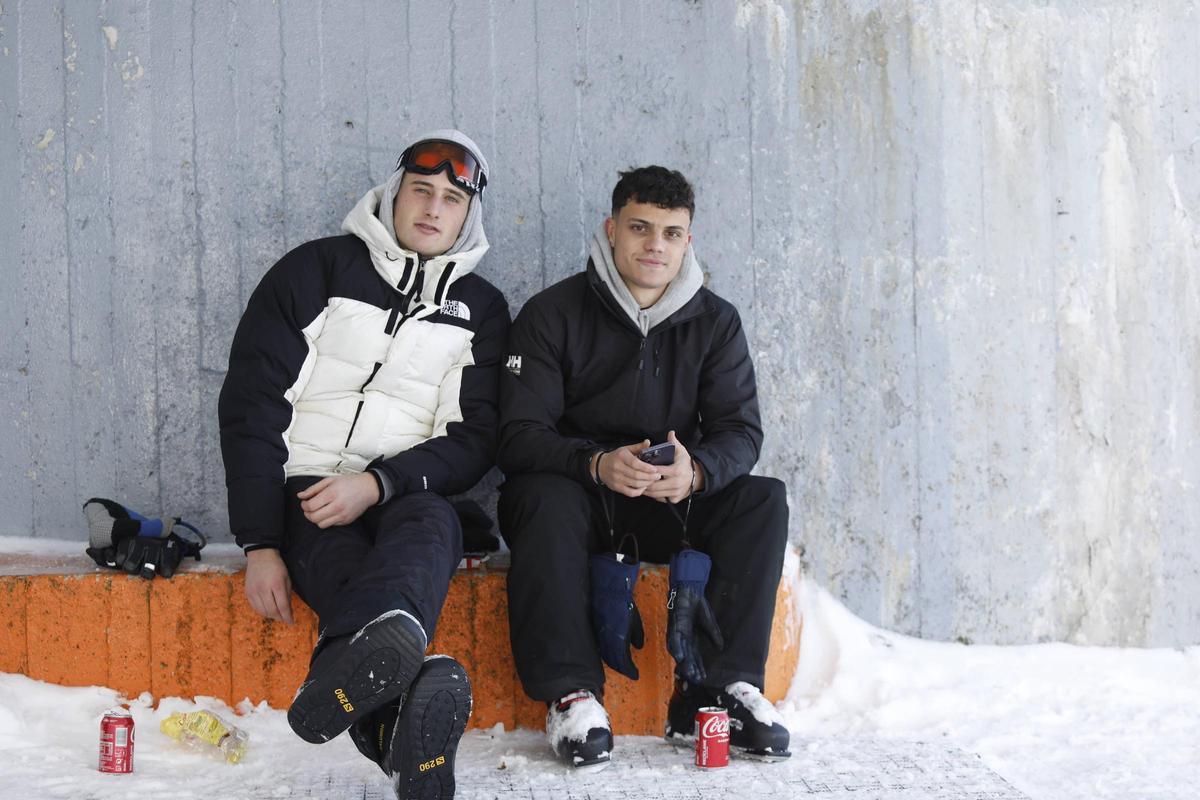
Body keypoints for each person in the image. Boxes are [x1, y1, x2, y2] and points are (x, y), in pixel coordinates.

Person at [219, 130, 509, 799]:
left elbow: (473, 438)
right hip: (306, 492)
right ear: (394, 192)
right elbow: (253, 405)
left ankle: (342, 672)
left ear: (469, 215)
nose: (433, 208)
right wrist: (261, 542)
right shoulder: (315, 272)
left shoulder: (483, 313)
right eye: (421, 190)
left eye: (451, 199)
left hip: (406, 489)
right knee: (342, 565)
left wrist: (378, 483)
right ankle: (396, 732)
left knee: (434, 525)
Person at [497, 165, 792, 771]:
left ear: (688, 240)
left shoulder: (716, 321)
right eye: (640, 228)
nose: (655, 245)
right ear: (612, 230)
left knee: (762, 499)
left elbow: (741, 430)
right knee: (538, 497)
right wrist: (596, 464)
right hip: (582, 499)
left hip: (669, 501)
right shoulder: (552, 313)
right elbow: (519, 436)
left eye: (671, 232)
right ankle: (571, 696)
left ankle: (713, 695)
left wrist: (699, 472)